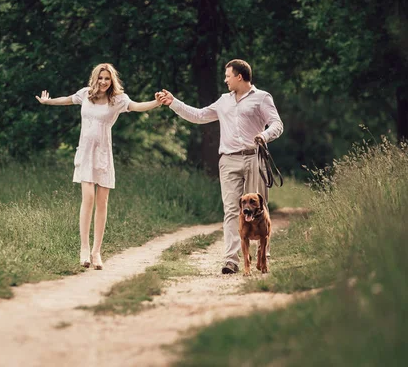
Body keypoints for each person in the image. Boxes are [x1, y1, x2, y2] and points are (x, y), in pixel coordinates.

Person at [156, 59, 283, 274]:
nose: (225, 80)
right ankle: (231, 260)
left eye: (228, 76)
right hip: (229, 160)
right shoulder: (224, 101)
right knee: (232, 209)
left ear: (239, 77)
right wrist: (173, 102)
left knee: (259, 208)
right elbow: (199, 115)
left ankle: (263, 256)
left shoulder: (262, 98)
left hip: (254, 157)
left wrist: (264, 135)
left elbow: (277, 124)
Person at [36, 63, 161, 270]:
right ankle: (84, 249)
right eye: (101, 78)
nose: (103, 82)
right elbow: (67, 100)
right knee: (89, 198)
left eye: (107, 79)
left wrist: (156, 103)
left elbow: (138, 106)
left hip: (103, 154)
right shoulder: (85, 94)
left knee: (102, 203)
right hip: (85, 153)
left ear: (112, 80)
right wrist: (47, 102)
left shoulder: (118, 100)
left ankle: (96, 252)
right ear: (96, 79)